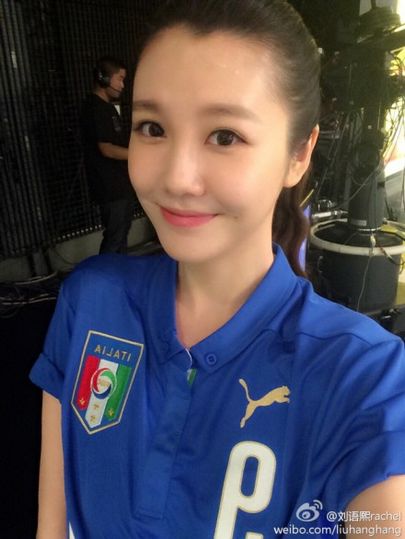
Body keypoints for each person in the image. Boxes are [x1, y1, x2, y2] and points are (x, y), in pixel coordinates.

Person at [31, 1, 405, 538]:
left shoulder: (364, 376)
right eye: (152, 127)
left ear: (299, 154)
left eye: (225, 136)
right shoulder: (92, 301)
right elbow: (53, 522)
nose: (177, 178)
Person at [80, 55, 137, 254]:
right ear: (104, 78)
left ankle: (119, 271)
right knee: (115, 237)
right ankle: (106, 273)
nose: (122, 85)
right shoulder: (94, 108)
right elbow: (106, 148)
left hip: (120, 185)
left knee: (121, 234)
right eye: (120, 79)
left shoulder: (108, 107)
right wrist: (137, 156)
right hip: (109, 187)